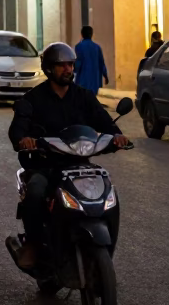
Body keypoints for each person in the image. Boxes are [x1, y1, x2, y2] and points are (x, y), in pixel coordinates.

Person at [9, 41, 129, 269]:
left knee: (107, 189)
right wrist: (23, 139)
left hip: (78, 162)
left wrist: (117, 136)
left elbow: (102, 120)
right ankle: (34, 244)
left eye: (70, 65)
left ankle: (102, 243)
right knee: (35, 191)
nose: (67, 70)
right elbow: (18, 128)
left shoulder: (83, 96)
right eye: (61, 65)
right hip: (47, 165)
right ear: (49, 69)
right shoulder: (33, 99)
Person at [74, 25, 109, 94]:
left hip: (82, 81)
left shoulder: (79, 46)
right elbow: (101, 63)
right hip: (95, 82)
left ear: (82, 34)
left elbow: (78, 63)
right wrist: (105, 76)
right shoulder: (97, 47)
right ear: (91, 34)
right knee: (91, 101)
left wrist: (73, 72)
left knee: (82, 101)